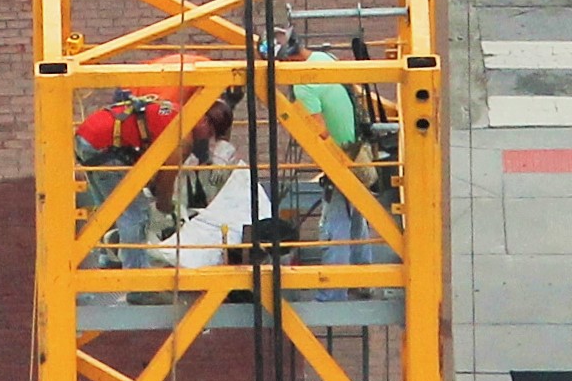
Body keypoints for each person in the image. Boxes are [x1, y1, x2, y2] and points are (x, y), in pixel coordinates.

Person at [74, 54, 229, 304]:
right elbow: (165, 182)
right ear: (205, 122)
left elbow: (154, 168)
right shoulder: (183, 136)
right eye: (209, 133)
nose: (206, 139)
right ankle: (139, 287)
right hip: (102, 146)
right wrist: (165, 206)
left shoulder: (174, 112)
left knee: (113, 210)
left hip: (93, 138)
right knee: (136, 214)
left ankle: (110, 258)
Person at [265, 28, 371, 301]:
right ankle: (364, 279)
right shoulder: (324, 58)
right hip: (357, 150)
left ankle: (332, 294)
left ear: (287, 59)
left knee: (333, 228)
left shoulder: (304, 83)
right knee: (356, 216)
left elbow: (319, 133)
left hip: (340, 159)